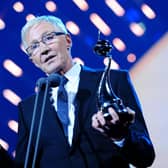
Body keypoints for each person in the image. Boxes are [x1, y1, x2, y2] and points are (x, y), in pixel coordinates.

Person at [14, 15, 155, 168]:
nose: (43, 50)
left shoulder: (113, 80)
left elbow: (145, 157)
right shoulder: (29, 110)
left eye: (48, 38)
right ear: (32, 60)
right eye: (34, 46)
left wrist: (120, 137)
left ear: (68, 40)